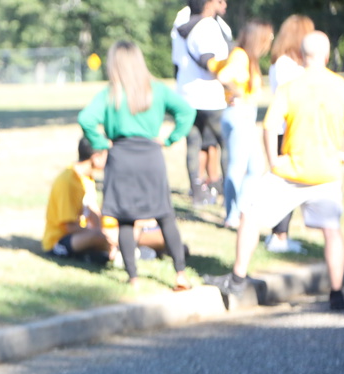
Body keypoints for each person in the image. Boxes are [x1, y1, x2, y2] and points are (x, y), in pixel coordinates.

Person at [205, 32, 344, 312]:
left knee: (250, 214)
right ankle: (337, 293)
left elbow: (270, 125)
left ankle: (238, 278)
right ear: (326, 55)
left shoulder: (290, 88)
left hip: (292, 171)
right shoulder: (343, 88)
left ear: (301, 55)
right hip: (327, 172)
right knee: (332, 231)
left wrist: (274, 161)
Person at [78, 41, 195, 290]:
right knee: (165, 215)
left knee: (125, 219)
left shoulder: (111, 93)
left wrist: (101, 143)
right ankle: (180, 274)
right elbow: (187, 112)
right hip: (150, 156)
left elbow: (86, 118)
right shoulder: (157, 90)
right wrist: (171, 139)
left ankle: (133, 278)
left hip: (121, 157)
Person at [210, 20, 274, 230]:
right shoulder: (240, 56)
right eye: (268, 37)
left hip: (244, 116)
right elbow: (222, 76)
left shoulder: (247, 57)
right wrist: (236, 92)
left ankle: (242, 210)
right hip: (239, 115)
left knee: (255, 167)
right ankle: (232, 216)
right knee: (237, 167)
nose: (270, 41)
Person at [264, 14, 315, 253]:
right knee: (285, 186)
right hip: (287, 132)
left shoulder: (285, 63)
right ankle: (279, 236)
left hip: (289, 131)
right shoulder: (286, 65)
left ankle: (281, 234)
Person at [175, 0, 231, 207]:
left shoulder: (183, 24)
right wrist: (231, 78)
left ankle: (197, 193)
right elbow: (208, 61)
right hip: (210, 96)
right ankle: (228, 193)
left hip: (187, 95)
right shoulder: (207, 25)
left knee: (193, 144)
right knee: (225, 143)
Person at [42, 137, 114, 264]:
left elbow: (93, 212)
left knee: (112, 233)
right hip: (59, 241)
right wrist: (101, 236)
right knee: (100, 237)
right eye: (107, 154)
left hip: (81, 234)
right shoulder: (68, 181)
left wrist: (103, 233)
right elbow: (68, 226)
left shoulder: (87, 178)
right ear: (96, 157)